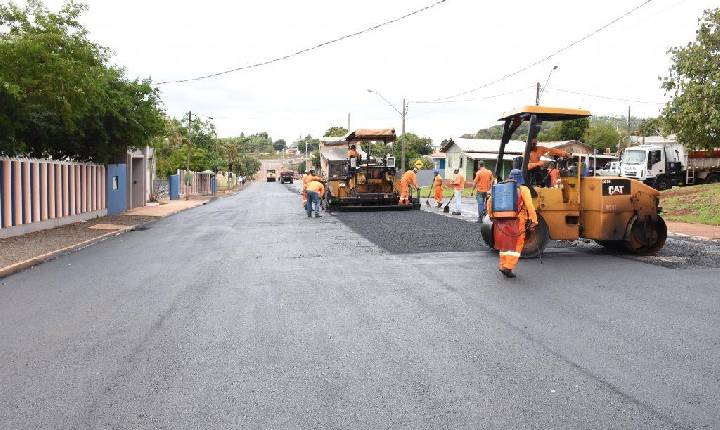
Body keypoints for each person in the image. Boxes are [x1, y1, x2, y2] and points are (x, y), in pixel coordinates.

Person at [486, 169, 538, 278]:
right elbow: (529, 205)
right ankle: (508, 267)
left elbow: (490, 201)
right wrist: (534, 220)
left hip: (500, 221)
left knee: (505, 244)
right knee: (516, 245)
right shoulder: (523, 189)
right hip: (517, 221)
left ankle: (502, 265)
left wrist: (491, 215)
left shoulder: (500, 187)